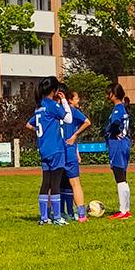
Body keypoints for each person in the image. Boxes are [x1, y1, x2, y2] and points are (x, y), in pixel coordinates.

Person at [27, 76, 69, 224]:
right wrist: (64, 101)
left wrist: (43, 131)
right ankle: (57, 217)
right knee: (55, 183)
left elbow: (29, 125)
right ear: (54, 90)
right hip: (56, 149)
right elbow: (68, 119)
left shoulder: (39, 107)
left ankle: (44, 217)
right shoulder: (52, 105)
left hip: (43, 149)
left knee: (46, 183)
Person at [60, 87, 91, 221]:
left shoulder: (54, 111)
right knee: (75, 184)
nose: (78, 100)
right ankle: (82, 215)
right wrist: (75, 135)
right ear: (69, 100)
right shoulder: (73, 111)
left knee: (54, 185)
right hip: (69, 151)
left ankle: (55, 214)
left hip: (57, 152)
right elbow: (87, 122)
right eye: (77, 98)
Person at [106, 83, 132, 219]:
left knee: (119, 177)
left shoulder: (117, 109)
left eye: (108, 93)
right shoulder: (124, 108)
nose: (107, 96)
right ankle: (126, 209)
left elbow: (115, 123)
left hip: (117, 145)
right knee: (123, 177)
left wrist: (115, 133)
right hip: (125, 143)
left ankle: (122, 211)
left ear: (114, 94)